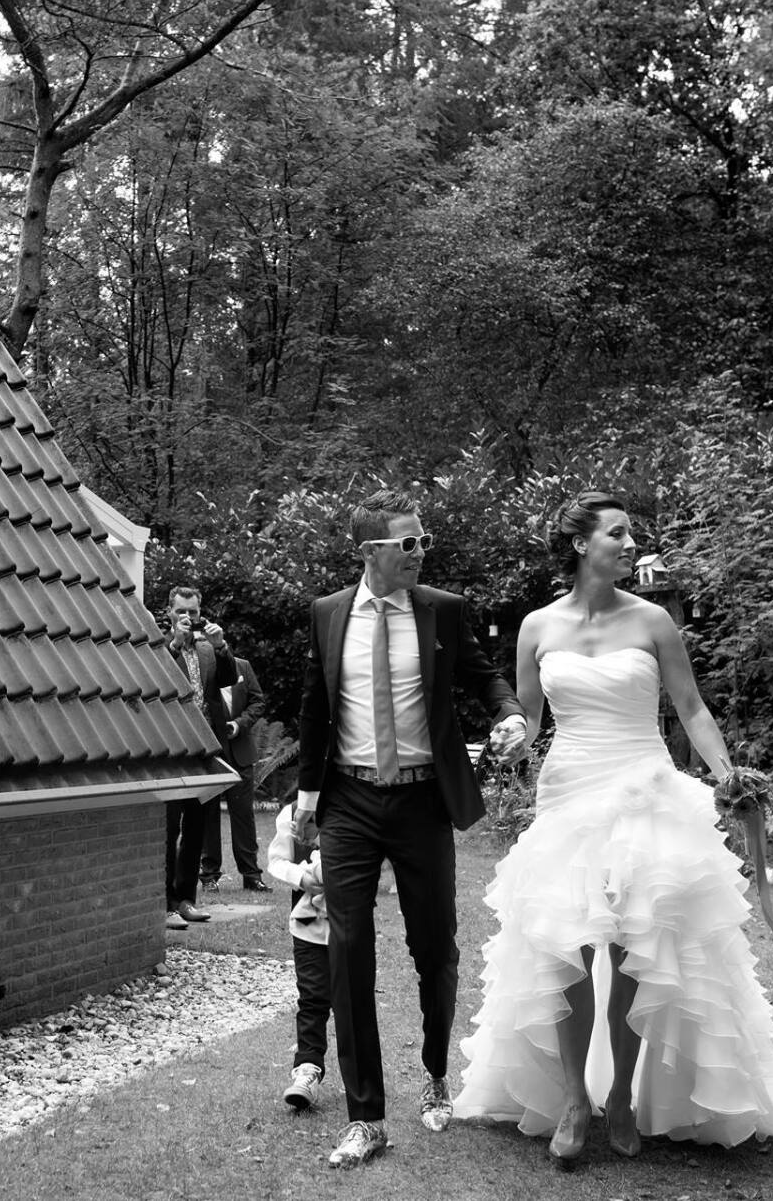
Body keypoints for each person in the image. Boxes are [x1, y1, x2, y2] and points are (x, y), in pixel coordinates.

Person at [451, 491, 773, 1161]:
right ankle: (573, 1101)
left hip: (644, 789)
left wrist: (728, 774)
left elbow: (691, 709)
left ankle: (620, 1096)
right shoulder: (536, 626)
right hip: (568, 791)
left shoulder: (653, 621)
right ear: (581, 544)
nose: (631, 544)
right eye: (617, 533)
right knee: (567, 948)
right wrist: (509, 737)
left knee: (633, 949)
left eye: (631, 534)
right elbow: (529, 717)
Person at [293, 488, 530, 1168]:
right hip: (349, 801)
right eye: (408, 542)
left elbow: (485, 679)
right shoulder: (327, 614)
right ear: (370, 551)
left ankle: (434, 1072)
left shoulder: (443, 611)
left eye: (424, 540)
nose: (421, 551)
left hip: (424, 801)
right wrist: (307, 797)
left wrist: (511, 714)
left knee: (435, 949)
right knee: (347, 951)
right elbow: (314, 707)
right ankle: (366, 1117)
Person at [161, 586, 237, 931]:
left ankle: (186, 899)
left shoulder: (207, 648)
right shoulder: (160, 646)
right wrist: (175, 645)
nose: (187, 617)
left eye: (193, 611)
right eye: (181, 611)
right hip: (173, 750)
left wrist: (221, 647)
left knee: (196, 829)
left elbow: (229, 679)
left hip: (205, 751)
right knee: (168, 828)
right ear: (169, 611)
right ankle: (165, 903)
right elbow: (154, 679)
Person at [265, 792, 330, 1111]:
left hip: (350, 919)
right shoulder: (291, 814)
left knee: (352, 998)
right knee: (312, 996)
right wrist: (302, 877)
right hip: (307, 922)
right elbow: (276, 861)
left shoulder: (356, 804)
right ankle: (307, 1068)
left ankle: (361, 1077)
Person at [202, 654, 269, 891]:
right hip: (211, 752)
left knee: (243, 816)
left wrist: (240, 724)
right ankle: (209, 876)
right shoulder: (200, 668)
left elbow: (258, 702)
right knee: (208, 815)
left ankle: (251, 875)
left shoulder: (243, 666)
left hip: (240, 751)